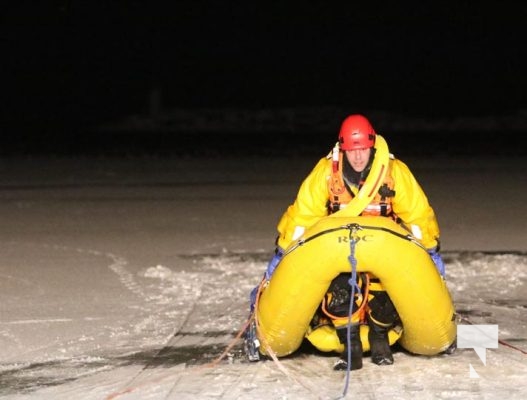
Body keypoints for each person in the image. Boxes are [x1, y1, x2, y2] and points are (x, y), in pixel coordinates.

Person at [248, 114, 445, 371]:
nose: (359, 156)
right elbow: (303, 215)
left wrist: (429, 250)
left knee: (385, 292)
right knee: (339, 291)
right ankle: (348, 342)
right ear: (343, 148)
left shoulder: (394, 173)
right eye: (353, 150)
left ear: (372, 146)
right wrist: (283, 252)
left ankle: (380, 337)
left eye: (363, 149)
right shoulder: (326, 174)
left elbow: (417, 215)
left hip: (384, 256)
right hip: (338, 255)